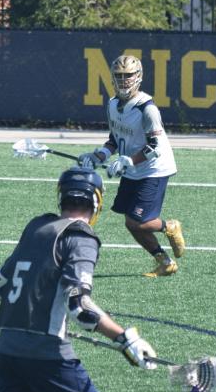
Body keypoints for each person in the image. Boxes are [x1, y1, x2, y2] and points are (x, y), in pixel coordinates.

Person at [0, 166, 158, 392]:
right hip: (46, 354)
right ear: (96, 201)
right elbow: (80, 307)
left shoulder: (37, 226)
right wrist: (125, 337)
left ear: (62, 196)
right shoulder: (80, 237)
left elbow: (0, 282)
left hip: (8, 347)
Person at [78, 54, 185, 278]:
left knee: (140, 221)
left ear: (139, 76)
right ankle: (165, 262)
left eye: (128, 75)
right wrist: (98, 156)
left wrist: (128, 161)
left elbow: (155, 146)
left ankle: (169, 226)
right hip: (132, 168)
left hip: (154, 168)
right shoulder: (112, 104)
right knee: (131, 222)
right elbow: (115, 140)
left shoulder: (147, 108)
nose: (123, 80)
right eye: (119, 76)